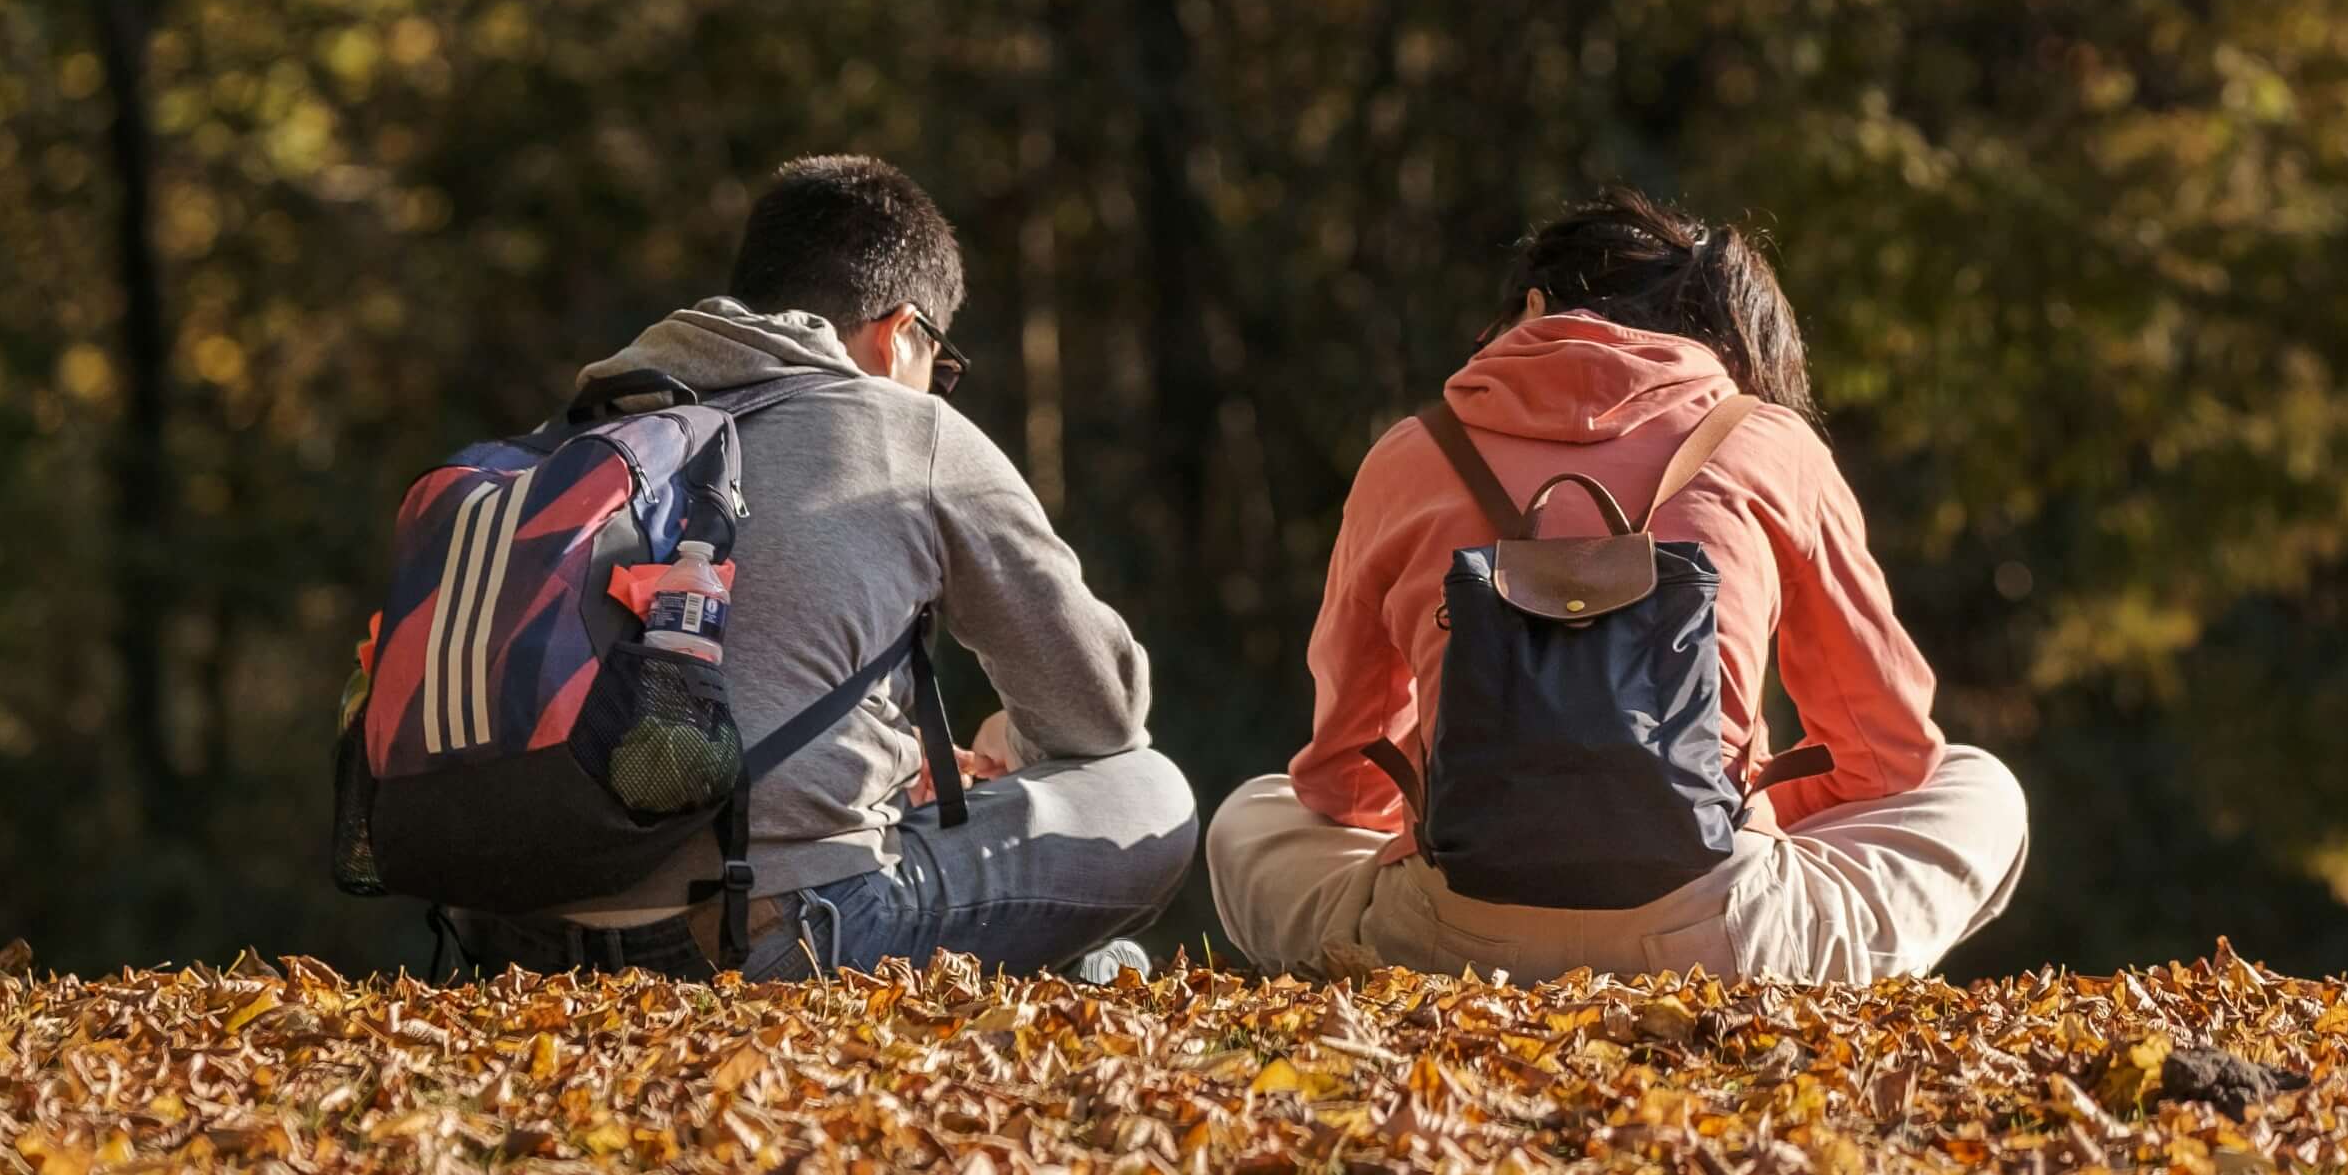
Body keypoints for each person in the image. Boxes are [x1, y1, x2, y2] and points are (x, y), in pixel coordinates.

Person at [1206, 187, 2028, 983]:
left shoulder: (1408, 453)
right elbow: (1889, 760)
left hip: (1447, 945)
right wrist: (1712, 790)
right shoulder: (1771, 443)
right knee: (1978, 785)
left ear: (1531, 308)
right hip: (1726, 940)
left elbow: (1344, 784)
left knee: (1254, 814)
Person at [528, 151, 1194, 981]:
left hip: (526, 932)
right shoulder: (905, 431)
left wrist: (902, 763)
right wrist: (1013, 738)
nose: (936, 392)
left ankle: (1074, 974)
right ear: (901, 332)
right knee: (1148, 791)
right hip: (768, 932)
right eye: (939, 368)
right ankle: (1080, 974)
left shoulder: (590, 436)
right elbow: (1101, 709)